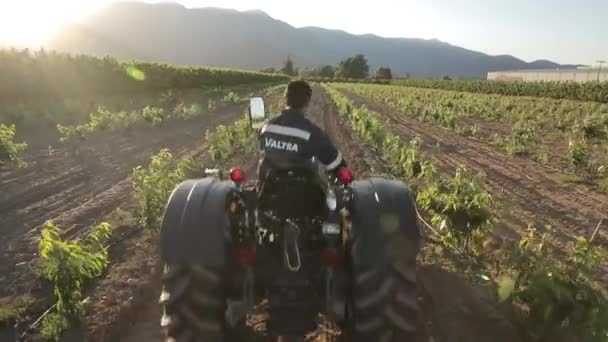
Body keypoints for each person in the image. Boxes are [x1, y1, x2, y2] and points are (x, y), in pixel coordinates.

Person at [256, 80, 346, 182]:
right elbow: (334, 162)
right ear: (307, 101)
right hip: (301, 194)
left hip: (267, 190)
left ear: (286, 98)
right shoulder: (313, 133)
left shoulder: (266, 127)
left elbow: (261, 148)